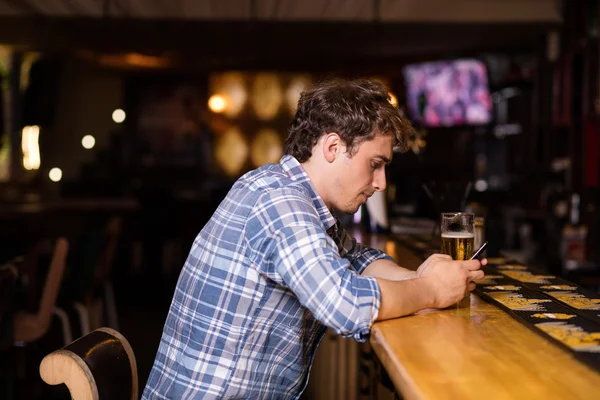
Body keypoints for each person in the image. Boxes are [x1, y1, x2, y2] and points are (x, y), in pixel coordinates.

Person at [142, 79, 485, 400]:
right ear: (333, 146)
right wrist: (432, 290)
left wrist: (425, 277)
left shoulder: (293, 196)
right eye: (375, 164)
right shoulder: (280, 202)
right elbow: (344, 304)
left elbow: (359, 260)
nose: (380, 182)